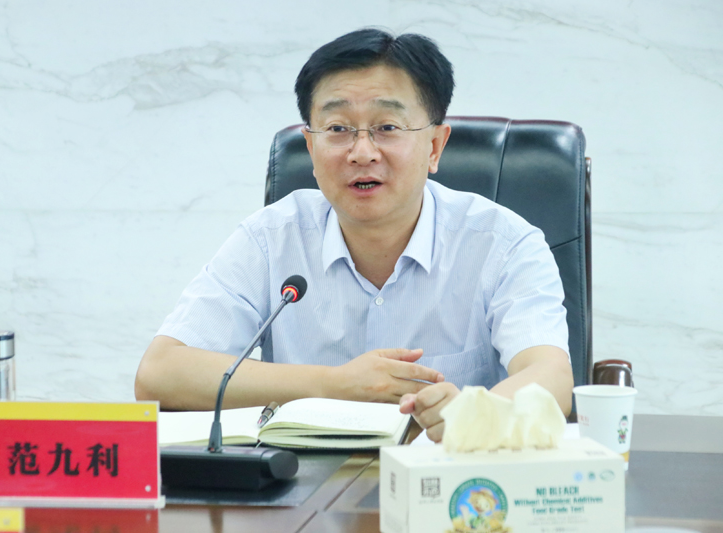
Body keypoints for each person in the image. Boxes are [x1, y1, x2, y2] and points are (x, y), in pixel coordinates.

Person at [135, 28, 574, 443]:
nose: (362, 153)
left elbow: (551, 377)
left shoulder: (503, 244)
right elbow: (160, 374)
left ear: (435, 146)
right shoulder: (270, 239)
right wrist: (335, 384)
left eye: (387, 127)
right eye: (338, 129)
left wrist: (471, 414)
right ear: (311, 148)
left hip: (449, 481)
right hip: (300, 484)